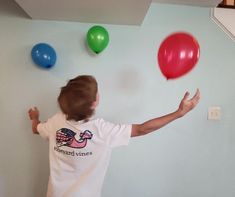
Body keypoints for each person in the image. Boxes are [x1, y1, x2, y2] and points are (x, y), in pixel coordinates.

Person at [28, 75, 200, 197]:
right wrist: (178, 113)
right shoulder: (103, 130)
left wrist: (35, 117)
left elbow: (36, 129)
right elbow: (142, 129)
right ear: (95, 102)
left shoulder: (55, 123)